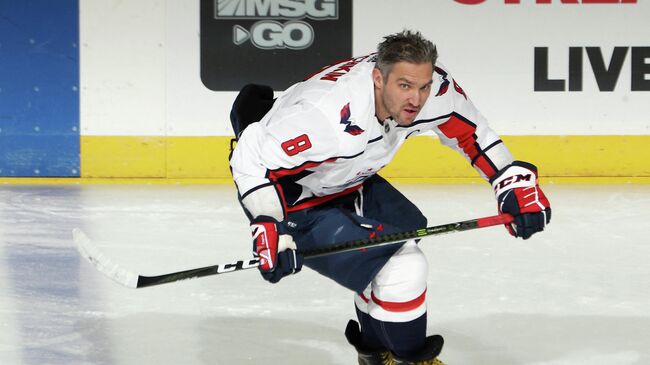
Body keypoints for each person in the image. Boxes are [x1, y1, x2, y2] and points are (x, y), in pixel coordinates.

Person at [228, 30, 551, 365]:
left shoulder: (435, 89)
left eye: (423, 86)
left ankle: (373, 351)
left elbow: (474, 134)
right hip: (292, 198)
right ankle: (411, 358)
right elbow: (251, 160)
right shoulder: (327, 116)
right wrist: (270, 225)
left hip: (346, 180)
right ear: (378, 78)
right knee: (403, 267)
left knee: (404, 232)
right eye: (405, 86)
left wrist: (511, 182)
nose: (417, 99)